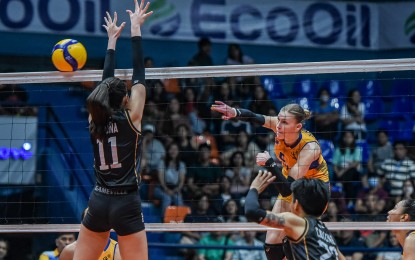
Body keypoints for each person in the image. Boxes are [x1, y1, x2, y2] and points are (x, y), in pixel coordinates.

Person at [73, 1, 153, 259]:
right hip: (126, 202)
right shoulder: (133, 118)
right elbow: (140, 74)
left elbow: (103, 88)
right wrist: (135, 29)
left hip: (99, 200)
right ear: (126, 99)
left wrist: (111, 42)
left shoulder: (93, 119)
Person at [211, 101, 330, 260]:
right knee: (272, 241)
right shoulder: (279, 126)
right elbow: (254, 117)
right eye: (279, 119)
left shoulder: (310, 148)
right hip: (290, 184)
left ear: (298, 127)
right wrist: (234, 112)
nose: (278, 125)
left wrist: (270, 164)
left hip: (313, 192)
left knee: (293, 238)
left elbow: (288, 189)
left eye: (284, 122)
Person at [245, 171, 344, 260]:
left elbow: (252, 211)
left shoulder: (296, 222)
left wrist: (254, 189)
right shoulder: (325, 232)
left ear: (296, 204)